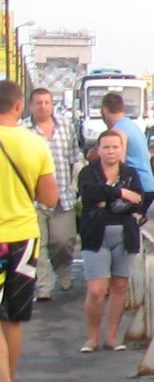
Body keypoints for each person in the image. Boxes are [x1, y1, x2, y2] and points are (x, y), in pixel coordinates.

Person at [0, 80, 58, 382]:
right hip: (23, 237)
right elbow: (49, 198)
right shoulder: (34, 143)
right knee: (13, 317)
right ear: (18, 106)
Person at [77, 128, 146, 353]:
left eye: (115, 147)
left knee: (119, 286)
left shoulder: (130, 174)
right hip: (95, 236)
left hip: (125, 236)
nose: (111, 151)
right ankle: (92, 337)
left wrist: (108, 200)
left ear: (121, 150)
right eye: (106, 147)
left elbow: (138, 202)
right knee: (96, 290)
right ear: (98, 150)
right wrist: (120, 194)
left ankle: (112, 337)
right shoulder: (88, 173)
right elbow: (89, 195)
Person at [26, 86, 78, 298]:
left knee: (64, 241)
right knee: (40, 245)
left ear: (52, 104)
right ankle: (44, 287)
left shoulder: (66, 126)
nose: (43, 107)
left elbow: (75, 155)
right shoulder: (24, 130)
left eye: (47, 102)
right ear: (30, 106)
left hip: (63, 196)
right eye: (38, 103)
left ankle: (63, 271)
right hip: (33, 200)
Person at [97, 91, 154, 202]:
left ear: (105, 110)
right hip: (148, 184)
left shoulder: (118, 131)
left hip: (136, 186)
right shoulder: (132, 126)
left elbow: (119, 161)